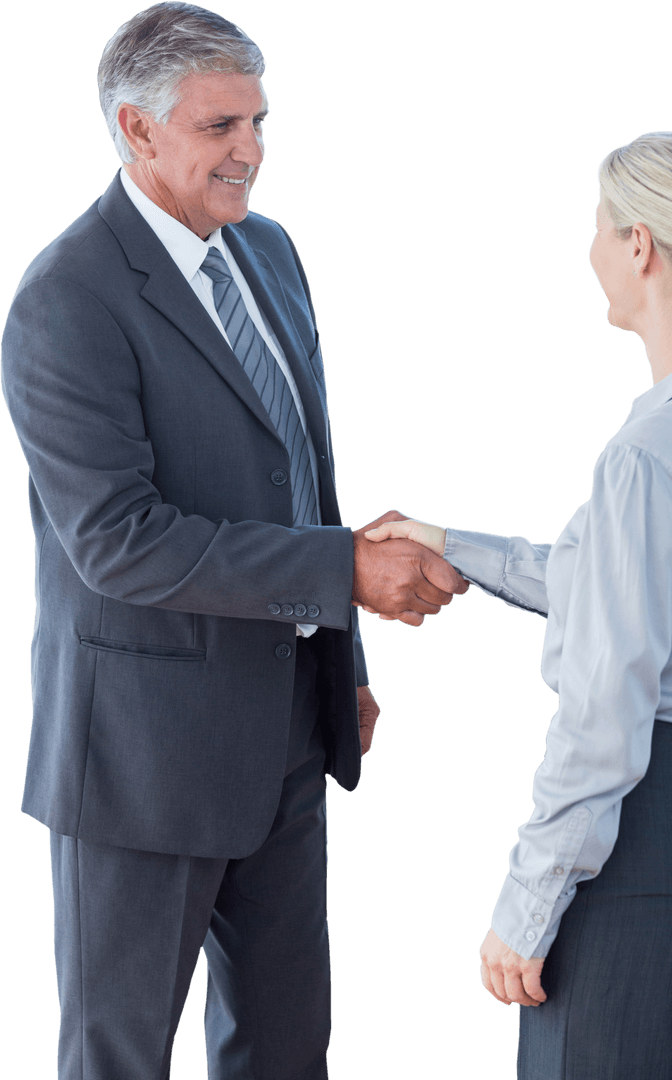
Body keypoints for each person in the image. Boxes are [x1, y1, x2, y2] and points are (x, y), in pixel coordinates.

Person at [0, 4, 468, 1079]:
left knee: (288, 1048)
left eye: (259, 121)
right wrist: (343, 571)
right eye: (220, 127)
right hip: (143, 766)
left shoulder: (266, 249)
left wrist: (338, 655)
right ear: (136, 128)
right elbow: (117, 541)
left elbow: (301, 476)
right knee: (121, 1058)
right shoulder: (64, 299)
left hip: (287, 741)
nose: (251, 150)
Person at [365, 131, 672, 1078]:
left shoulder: (653, 455)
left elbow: (607, 710)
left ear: (639, 246)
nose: (591, 248)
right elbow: (621, 587)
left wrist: (527, 909)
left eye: (597, 228)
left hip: (654, 840)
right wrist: (461, 549)